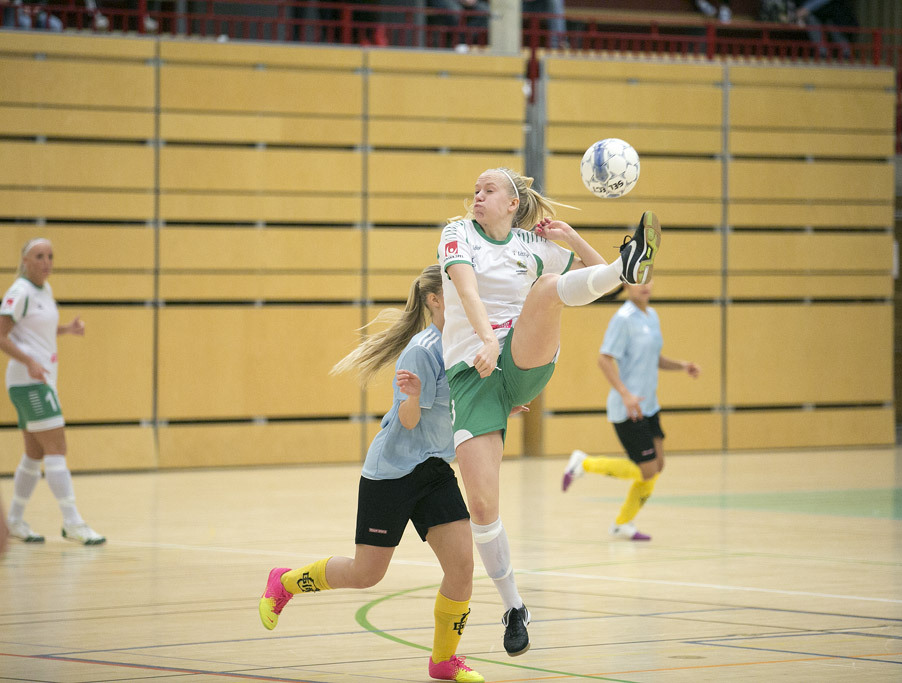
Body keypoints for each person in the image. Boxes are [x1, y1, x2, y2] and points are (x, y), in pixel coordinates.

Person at [439, 166, 661, 656]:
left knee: (546, 289)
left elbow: (599, 280)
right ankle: (514, 608)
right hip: (473, 374)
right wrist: (485, 341)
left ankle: (629, 261)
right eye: (475, 189)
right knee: (482, 507)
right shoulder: (458, 233)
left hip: (522, 358)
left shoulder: (532, 245)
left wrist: (573, 239)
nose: (477, 196)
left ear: (512, 203)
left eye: (489, 190)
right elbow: (467, 290)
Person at [258, 265, 486, 683]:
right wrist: (412, 397)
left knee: (462, 568)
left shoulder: (467, 342)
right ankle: (285, 582)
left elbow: (465, 401)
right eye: (458, 289)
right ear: (436, 300)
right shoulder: (422, 350)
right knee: (366, 574)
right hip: (393, 473)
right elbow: (409, 421)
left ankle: (443, 660)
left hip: (435, 469)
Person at [561, 282, 700, 541]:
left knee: (657, 466)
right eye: (638, 280)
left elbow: (654, 358)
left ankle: (622, 524)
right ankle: (584, 463)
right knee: (647, 470)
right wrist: (625, 394)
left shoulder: (652, 315)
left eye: (648, 278)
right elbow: (603, 359)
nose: (645, 285)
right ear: (626, 284)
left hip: (649, 405)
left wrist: (682, 366)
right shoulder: (623, 318)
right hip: (629, 408)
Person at [1, 238, 105, 546]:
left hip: (39, 380)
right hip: (30, 381)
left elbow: (36, 330)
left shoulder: (44, 290)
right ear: (24, 261)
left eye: (50, 256)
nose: (46, 262)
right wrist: (30, 362)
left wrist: (66, 329)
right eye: (39, 256)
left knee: (34, 454)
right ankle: (73, 522)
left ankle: (14, 520)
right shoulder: (20, 292)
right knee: (57, 448)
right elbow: (1, 334)